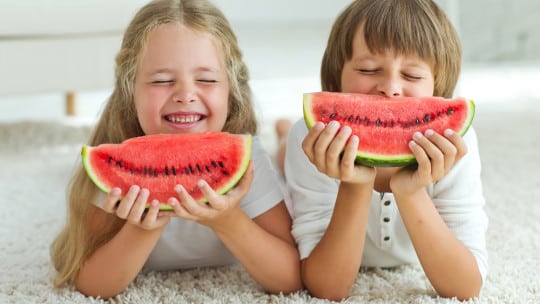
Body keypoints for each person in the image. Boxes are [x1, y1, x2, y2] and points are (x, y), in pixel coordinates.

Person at [50, 0, 302, 299]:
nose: (185, 95)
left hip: (270, 160)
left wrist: (228, 221)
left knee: (292, 156)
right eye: (162, 81)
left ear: (231, 90)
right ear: (131, 90)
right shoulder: (117, 166)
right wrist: (141, 230)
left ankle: (285, 135)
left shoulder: (248, 161)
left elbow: (291, 278)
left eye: (206, 79)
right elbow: (90, 285)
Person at [280, 0, 488, 301]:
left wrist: (411, 191)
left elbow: (466, 288)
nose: (390, 88)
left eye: (412, 76)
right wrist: (355, 183)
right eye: (368, 69)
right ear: (335, 76)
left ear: (439, 88)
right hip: (305, 148)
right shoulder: (313, 139)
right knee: (289, 146)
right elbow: (327, 288)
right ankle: (283, 136)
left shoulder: (456, 146)